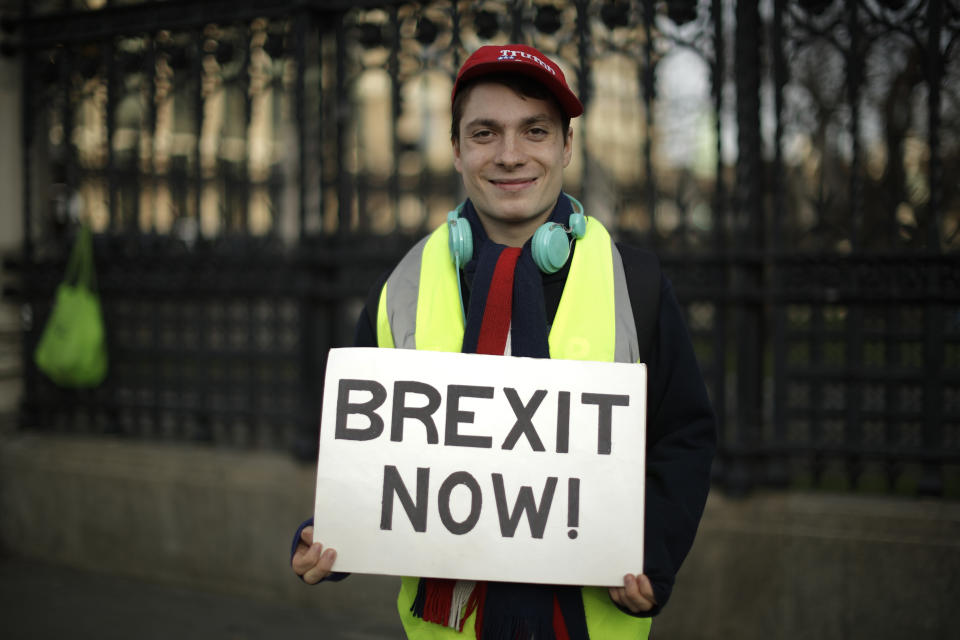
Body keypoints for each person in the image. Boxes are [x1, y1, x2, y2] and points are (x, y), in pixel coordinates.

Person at [292, 43, 716, 639]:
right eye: (486, 133)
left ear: (566, 146)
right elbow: (374, 456)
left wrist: (653, 555)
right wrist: (329, 532)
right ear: (458, 149)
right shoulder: (401, 288)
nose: (511, 155)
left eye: (535, 131)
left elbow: (684, 436)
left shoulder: (635, 282)